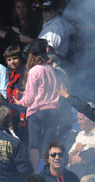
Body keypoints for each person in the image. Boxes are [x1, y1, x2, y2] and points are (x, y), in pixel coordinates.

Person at [15, 39, 62, 170]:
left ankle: (36, 171)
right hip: (53, 111)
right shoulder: (51, 69)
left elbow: (29, 97)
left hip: (38, 112)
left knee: (34, 144)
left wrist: (20, 102)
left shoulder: (34, 71)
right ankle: (48, 171)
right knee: (49, 144)